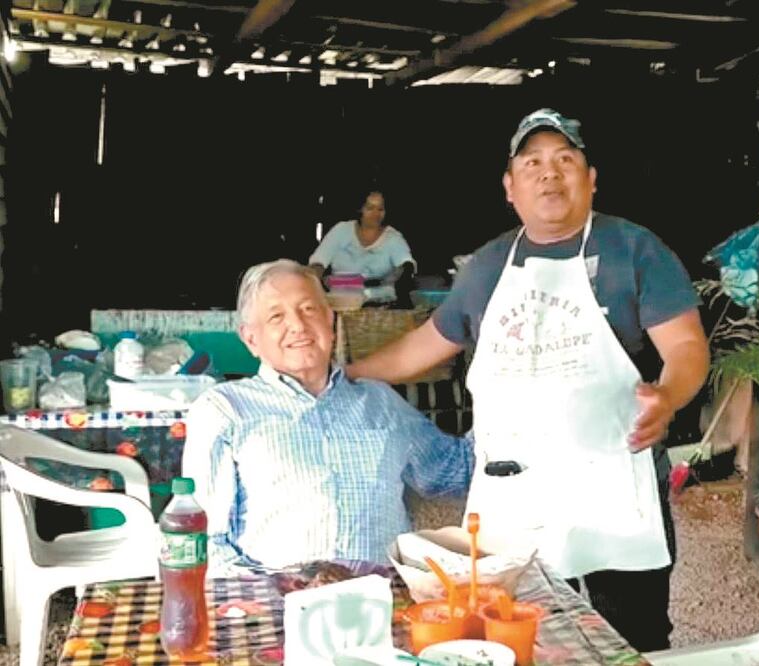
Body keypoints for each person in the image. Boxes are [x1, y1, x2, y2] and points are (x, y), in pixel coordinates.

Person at [346, 108, 709, 651]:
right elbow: (425, 345)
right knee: (513, 632)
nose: (549, 173)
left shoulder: (635, 249)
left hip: (612, 483)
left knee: (631, 637)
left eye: (565, 160)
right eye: (532, 163)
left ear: (591, 179)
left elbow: (685, 348)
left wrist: (669, 395)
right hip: (514, 491)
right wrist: (346, 374)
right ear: (510, 187)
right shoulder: (489, 266)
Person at [182, 259, 473, 575]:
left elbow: (455, 471)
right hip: (279, 597)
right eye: (277, 316)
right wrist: (271, 593)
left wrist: (503, 393)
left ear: (330, 322)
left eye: (308, 309)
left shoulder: (380, 402)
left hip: (380, 593)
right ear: (251, 339)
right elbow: (207, 542)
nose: (298, 325)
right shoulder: (225, 410)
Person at [309, 189, 416, 305]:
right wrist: (314, 283)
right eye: (370, 208)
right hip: (340, 301)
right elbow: (318, 262)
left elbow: (406, 264)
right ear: (360, 209)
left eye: (380, 209)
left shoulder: (393, 238)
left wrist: (399, 277)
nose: (375, 214)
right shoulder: (341, 231)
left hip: (381, 301)